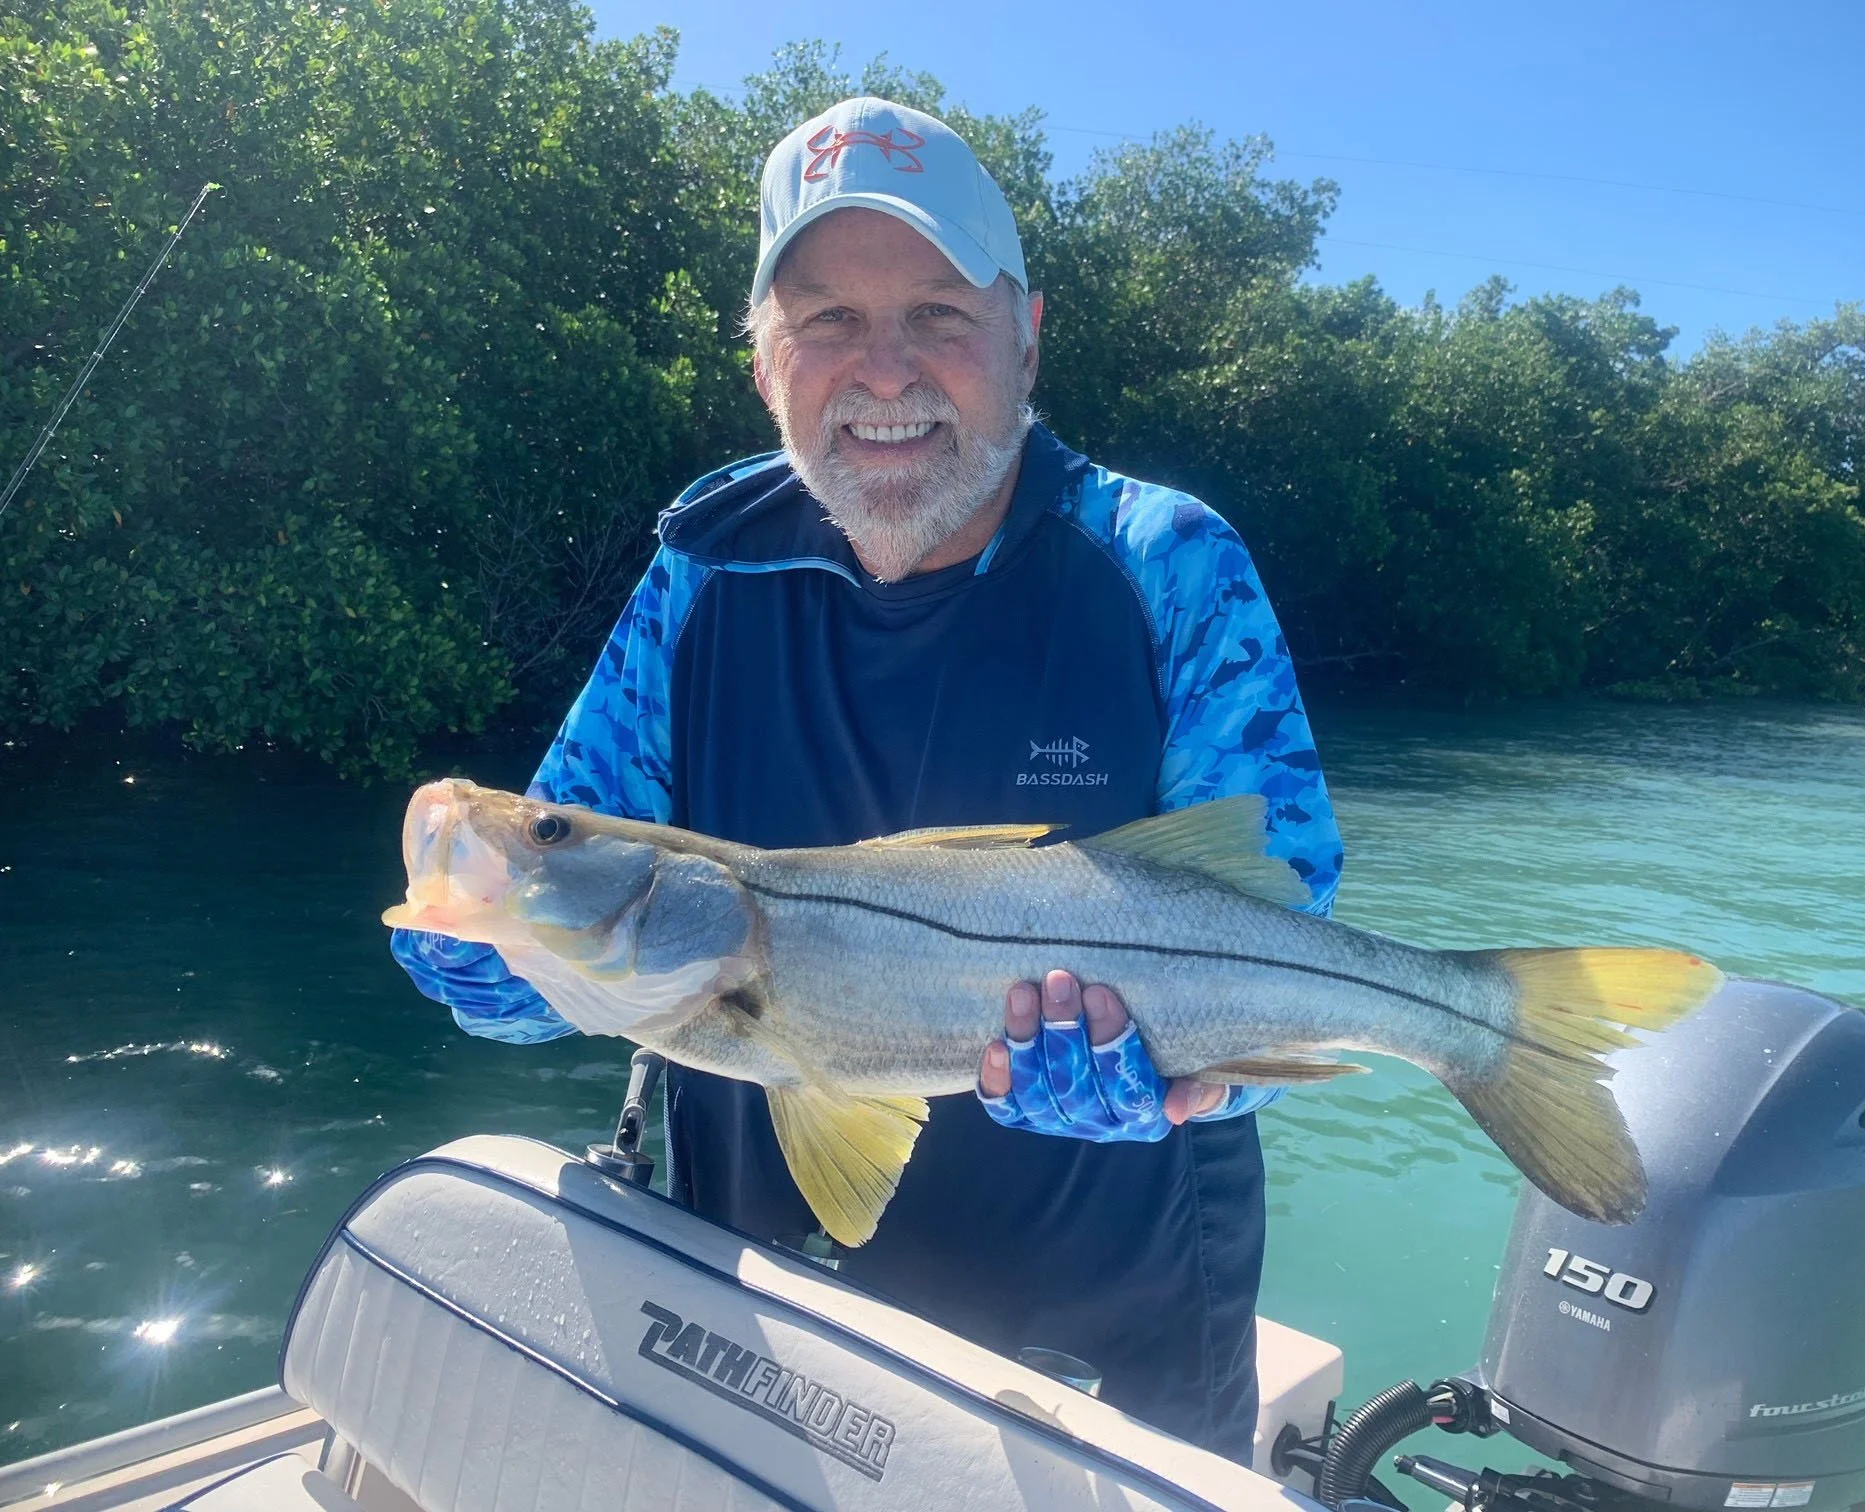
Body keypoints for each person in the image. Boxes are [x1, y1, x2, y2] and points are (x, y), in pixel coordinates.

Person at [391, 95, 1342, 1462]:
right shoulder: (701, 570)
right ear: (764, 360)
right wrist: (479, 951)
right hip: (753, 1319)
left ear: (1027, 337)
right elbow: (564, 938)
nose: (885, 372)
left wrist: (1190, 1082)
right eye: (827, 319)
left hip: (1100, 1347)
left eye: (941, 315)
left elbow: (1286, 921)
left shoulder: (1164, 563)